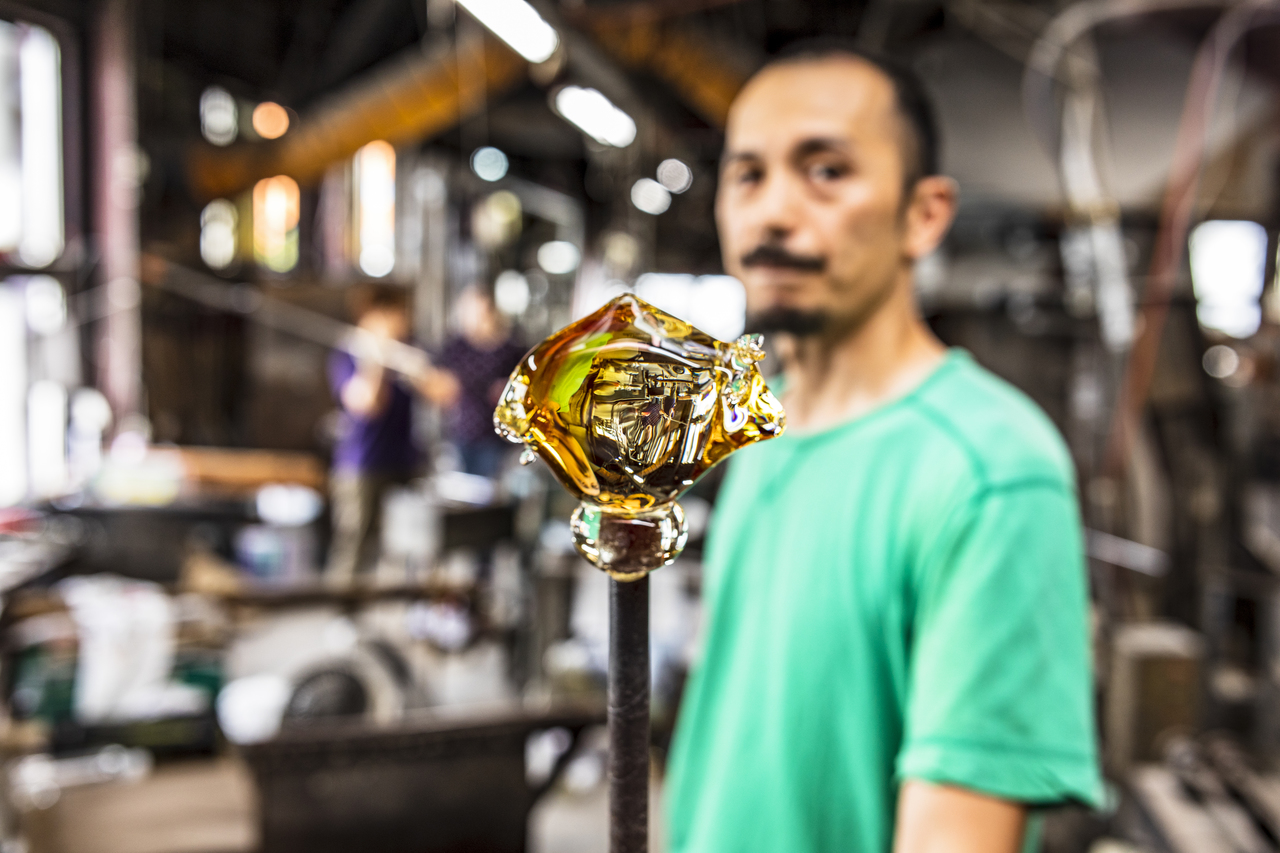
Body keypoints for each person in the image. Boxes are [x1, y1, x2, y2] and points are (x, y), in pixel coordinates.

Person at [663, 41, 1102, 853]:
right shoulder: (762, 429)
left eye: (826, 171)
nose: (773, 212)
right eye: (748, 175)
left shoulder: (991, 471)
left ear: (923, 214)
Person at [325, 286, 457, 586]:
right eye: (400, 313)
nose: (406, 320)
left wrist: (417, 370)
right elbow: (368, 405)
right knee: (354, 545)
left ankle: (397, 605)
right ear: (379, 314)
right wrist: (375, 362)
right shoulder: (348, 352)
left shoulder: (406, 349)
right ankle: (344, 608)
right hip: (361, 466)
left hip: (405, 462)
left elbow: (446, 394)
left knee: (408, 543)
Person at [436, 286, 526, 478]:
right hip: (460, 432)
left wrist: (506, 390)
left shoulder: (510, 349)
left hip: (495, 434)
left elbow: (524, 385)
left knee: (489, 486)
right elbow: (440, 386)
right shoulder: (456, 348)